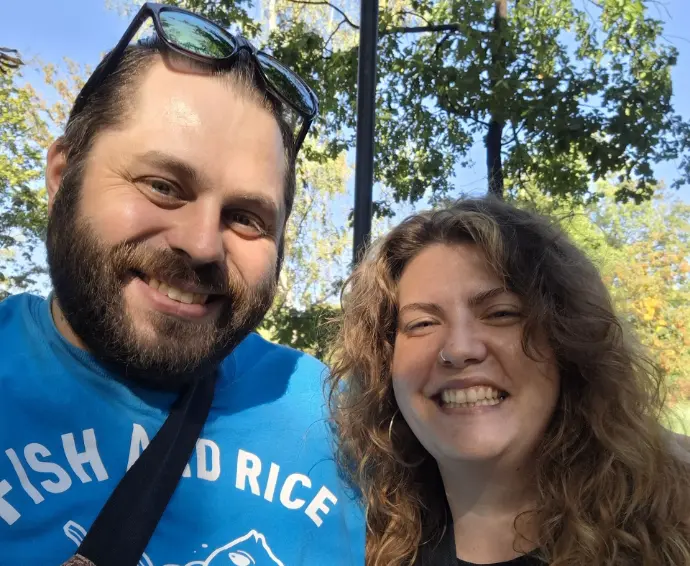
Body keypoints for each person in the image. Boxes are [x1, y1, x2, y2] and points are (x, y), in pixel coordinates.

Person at [0, 4, 363, 565]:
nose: (201, 244)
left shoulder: (348, 422)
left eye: (246, 218)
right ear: (62, 177)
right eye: (163, 186)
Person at [328, 197, 690, 566]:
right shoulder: (354, 543)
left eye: (501, 313)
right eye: (422, 323)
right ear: (385, 364)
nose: (459, 349)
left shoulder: (675, 526)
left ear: (567, 342)